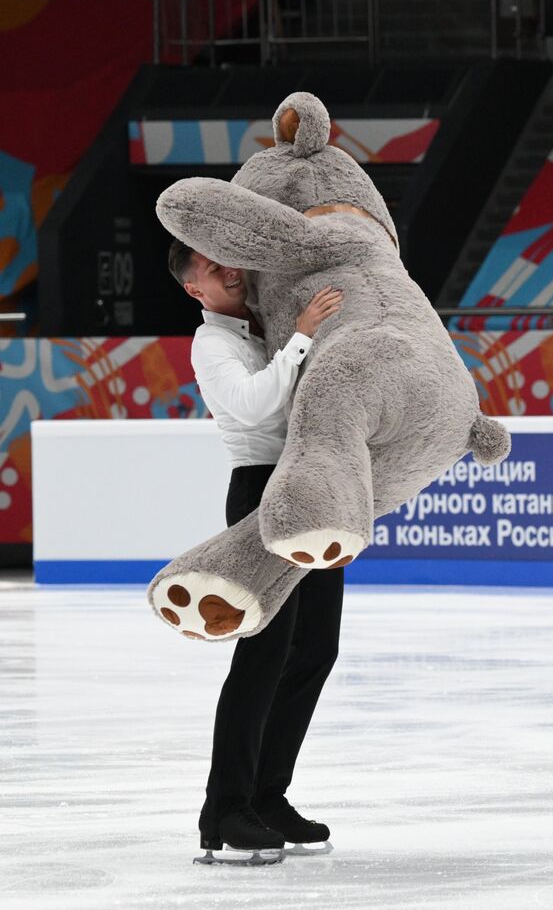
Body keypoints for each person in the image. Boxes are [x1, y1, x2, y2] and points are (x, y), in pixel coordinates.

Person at [169, 239, 345, 864]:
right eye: (212, 270)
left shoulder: (266, 319)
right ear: (195, 290)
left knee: (315, 648)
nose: (228, 271)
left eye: (226, 260)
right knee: (264, 654)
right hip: (261, 494)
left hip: (313, 486)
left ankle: (269, 796)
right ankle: (225, 811)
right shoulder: (211, 344)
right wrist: (300, 337)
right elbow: (253, 403)